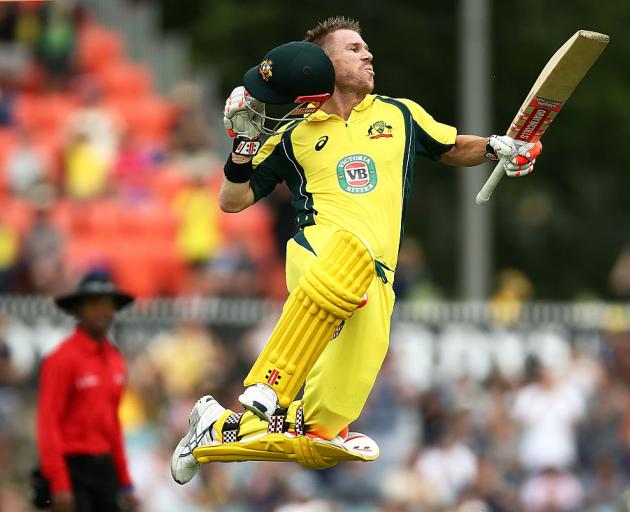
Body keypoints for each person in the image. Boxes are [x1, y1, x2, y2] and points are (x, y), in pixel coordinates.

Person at [171, 16, 543, 484]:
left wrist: (496, 147)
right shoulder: (293, 133)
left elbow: (451, 146)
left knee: (324, 432)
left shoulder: (399, 114)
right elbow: (232, 200)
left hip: (378, 279)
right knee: (348, 259)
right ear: (321, 64)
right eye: (353, 49)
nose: (368, 55)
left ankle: (213, 433)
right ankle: (268, 382)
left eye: (366, 48)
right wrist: (243, 148)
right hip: (320, 249)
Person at [36, 272, 140, 512]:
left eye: (107, 304)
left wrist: (125, 482)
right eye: (93, 303)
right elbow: (48, 423)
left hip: (105, 470)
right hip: (73, 470)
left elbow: (113, 423)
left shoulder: (115, 360)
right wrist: (60, 483)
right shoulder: (61, 359)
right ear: (79, 310)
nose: (101, 311)